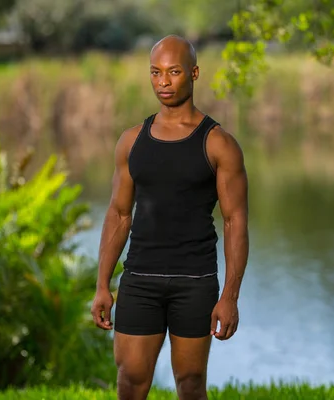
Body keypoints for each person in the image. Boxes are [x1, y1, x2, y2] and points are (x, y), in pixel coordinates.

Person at [90, 34, 249, 400]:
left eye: (173, 72)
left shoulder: (218, 143)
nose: (163, 81)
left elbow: (235, 222)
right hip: (139, 280)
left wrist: (230, 296)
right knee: (130, 379)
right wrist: (102, 284)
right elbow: (118, 214)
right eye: (156, 72)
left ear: (193, 73)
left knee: (191, 384)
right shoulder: (132, 141)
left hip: (194, 282)